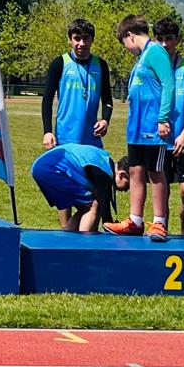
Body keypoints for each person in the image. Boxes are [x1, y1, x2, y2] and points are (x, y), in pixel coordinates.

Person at [104, 14, 174, 241]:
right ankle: (135, 221)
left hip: (152, 127)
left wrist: (163, 118)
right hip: (136, 128)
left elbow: (168, 84)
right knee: (135, 171)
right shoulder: (142, 58)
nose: (126, 48)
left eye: (124, 43)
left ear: (130, 35)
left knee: (155, 172)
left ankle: (159, 222)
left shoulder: (155, 52)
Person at [40, 17, 114, 226]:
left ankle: (86, 236)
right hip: (65, 137)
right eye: (77, 38)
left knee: (94, 192)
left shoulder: (100, 65)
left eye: (86, 38)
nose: (81, 43)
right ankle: (66, 232)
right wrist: (47, 131)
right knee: (66, 192)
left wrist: (105, 120)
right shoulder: (60, 63)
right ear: (70, 39)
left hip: (91, 141)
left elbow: (108, 100)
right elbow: (47, 99)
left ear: (92, 40)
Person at [154, 17, 184, 236]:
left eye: (169, 38)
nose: (165, 44)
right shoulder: (153, 68)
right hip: (161, 141)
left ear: (178, 40)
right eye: (160, 39)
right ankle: (161, 231)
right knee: (162, 193)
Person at [31, 144, 130, 232]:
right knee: (94, 205)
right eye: (129, 184)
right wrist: (111, 227)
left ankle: (67, 240)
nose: (127, 190)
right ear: (122, 175)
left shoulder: (105, 161)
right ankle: (84, 243)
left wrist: (109, 224)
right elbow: (105, 214)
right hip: (52, 169)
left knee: (84, 208)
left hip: (41, 165)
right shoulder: (104, 175)